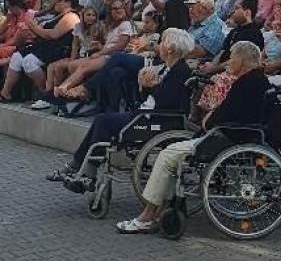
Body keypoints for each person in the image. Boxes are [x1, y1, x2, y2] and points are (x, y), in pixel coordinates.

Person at [115, 41, 270, 234]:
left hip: (225, 139)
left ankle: (147, 216)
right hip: (228, 136)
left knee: (167, 155)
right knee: (171, 157)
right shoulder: (257, 80)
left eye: (232, 57)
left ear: (242, 59)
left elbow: (226, 115)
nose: (229, 62)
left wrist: (209, 120)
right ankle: (161, 210)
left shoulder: (247, 82)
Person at [48, 28, 196, 190]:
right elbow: (153, 98)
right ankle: (77, 168)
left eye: (162, 43)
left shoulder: (180, 72)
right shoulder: (167, 68)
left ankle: (86, 172)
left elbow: (165, 101)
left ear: (170, 49)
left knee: (104, 121)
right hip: (147, 114)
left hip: (157, 120)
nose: (159, 46)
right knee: (104, 118)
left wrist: (153, 86)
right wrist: (146, 86)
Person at [0, 0, 80, 101]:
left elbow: (54, 35)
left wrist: (34, 27)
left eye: (60, 0)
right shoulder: (57, 15)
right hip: (43, 46)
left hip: (58, 49)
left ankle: (44, 93)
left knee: (29, 61)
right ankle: (6, 93)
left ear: (69, 3)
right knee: (17, 57)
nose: (56, 2)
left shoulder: (71, 16)